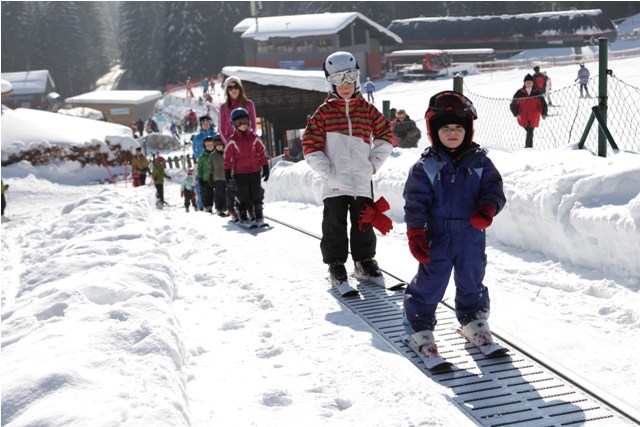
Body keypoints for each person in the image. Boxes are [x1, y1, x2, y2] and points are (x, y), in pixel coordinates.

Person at [402, 90, 506, 365]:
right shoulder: (426, 166)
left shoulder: (480, 163)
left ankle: (474, 321)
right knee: (431, 281)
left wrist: (487, 209)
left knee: (472, 278)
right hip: (438, 234)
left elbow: (494, 190)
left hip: (472, 233)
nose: (452, 133)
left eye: (458, 127)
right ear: (434, 131)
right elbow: (415, 203)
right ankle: (419, 327)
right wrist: (416, 233)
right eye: (445, 128)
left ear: (468, 130)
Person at [301, 51, 394, 296]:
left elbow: (386, 136)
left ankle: (364, 262)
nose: (345, 86)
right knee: (334, 224)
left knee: (364, 222)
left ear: (357, 79)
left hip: (362, 181)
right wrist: (329, 173)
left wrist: (373, 164)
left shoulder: (367, 110)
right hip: (335, 183)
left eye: (350, 78)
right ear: (330, 82)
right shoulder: (323, 113)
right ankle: (336, 265)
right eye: (339, 80)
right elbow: (310, 146)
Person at [219, 76, 258, 221]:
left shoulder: (249, 104)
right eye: (230, 87)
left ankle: (252, 207)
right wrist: (229, 145)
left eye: (236, 87)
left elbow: (253, 124)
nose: (233, 90)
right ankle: (236, 206)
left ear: (240, 89)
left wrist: (251, 141)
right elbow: (222, 129)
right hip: (233, 149)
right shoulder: (224, 108)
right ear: (226, 91)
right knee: (236, 181)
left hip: (247, 146)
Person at [223, 108, 269, 226]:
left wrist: (265, 166)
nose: (243, 125)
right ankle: (243, 217)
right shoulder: (232, 140)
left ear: (248, 121)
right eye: (239, 122)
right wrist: (227, 170)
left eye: (244, 121)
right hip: (240, 172)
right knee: (243, 194)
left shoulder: (254, 137)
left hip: (254, 170)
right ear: (234, 124)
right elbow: (227, 156)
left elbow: (262, 153)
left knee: (256, 193)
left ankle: (258, 216)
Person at [510, 74, 548, 148]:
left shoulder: (537, 92)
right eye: (527, 82)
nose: (528, 84)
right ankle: (528, 148)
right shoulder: (519, 92)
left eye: (530, 82)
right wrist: (516, 113)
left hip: (534, 116)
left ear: (533, 83)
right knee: (529, 131)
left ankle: (528, 147)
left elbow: (543, 103)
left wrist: (544, 113)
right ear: (524, 83)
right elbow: (513, 104)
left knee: (530, 131)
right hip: (523, 116)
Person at [192, 115, 218, 211]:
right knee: (202, 186)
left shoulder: (216, 135)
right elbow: (194, 151)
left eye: (208, 123)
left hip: (216, 163)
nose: (206, 125)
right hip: (203, 164)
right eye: (204, 124)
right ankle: (202, 205)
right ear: (201, 125)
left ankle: (221, 205)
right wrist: (200, 156)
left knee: (219, 185)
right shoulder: (197, 138)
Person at [207, 135, 228, 216]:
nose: (219, 147)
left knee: (227, 193)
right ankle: (219, 208)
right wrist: (210, 176)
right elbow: (210, 166)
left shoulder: (227, 153)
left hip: (226, 177)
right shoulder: (212, 155)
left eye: (220, 145)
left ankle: (227, 207)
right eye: (217, 145)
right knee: (219, 194)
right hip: (217, 178)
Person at [197, 136, 216, 213]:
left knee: (219, 193)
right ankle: (208, 207)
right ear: (205, 146)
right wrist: (200, 178)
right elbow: (200, 168)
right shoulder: (202, 157)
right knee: (207, 194)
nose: (209, 146)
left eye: (211, 144)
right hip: (206, 178)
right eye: (207, 145)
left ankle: (221, 207)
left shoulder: (217, 154)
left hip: (217, 177)